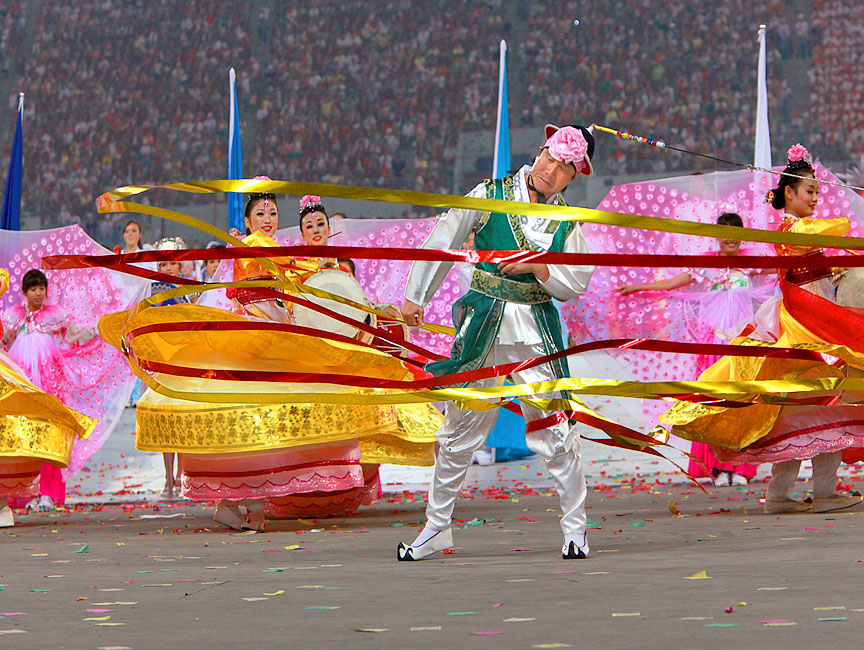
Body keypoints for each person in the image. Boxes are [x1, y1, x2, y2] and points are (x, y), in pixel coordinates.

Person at [397, 124, 596, 561]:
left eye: (565, 168)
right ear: (539, 152)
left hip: (536, 330)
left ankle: (575, 530)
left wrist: (539, 268)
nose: (552, 171)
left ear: (574, 176)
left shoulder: (568, 222)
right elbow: (446, 236)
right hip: (484, 324)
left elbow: (577, 280)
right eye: (550, 158)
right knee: (458, 430)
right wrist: (417, 296)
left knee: (557, 431)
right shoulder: (491, 193)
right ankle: (436, 527)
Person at [661, 144, 864, 514]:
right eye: (810, 191)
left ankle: (788, 494)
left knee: (810, 411)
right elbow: (835, 227)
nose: (816, 198)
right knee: (820, 410)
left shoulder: (799, 233)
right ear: (789, 193)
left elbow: (820, 272)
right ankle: (809, 493)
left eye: (818, 191)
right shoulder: (794, 229)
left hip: (817, 323)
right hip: (806, 329)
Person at [618, 213, 764, 487]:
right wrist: (638, 287)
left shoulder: (752, 265)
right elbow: (672, 283)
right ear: (716, 236)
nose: (731, 237)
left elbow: (784, 270)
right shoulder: (706, 266)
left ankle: (740, 467)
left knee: (742, 400)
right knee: (711, 402)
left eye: (736, 231)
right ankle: (717, 468)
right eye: (724, 231)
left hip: (743, 343)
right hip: (712, 344)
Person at [0, 269, 97, 526]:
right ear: (24, 292)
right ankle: (26, 493)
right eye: (33, 289)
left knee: (49, 432)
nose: (38, 293)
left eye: (41, 288)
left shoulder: (54, 315)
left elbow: (73, 335)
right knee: (24, 435)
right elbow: (4, 342)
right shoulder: (13, 317)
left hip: (49, 381)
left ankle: (48, 493)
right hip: (24, 382)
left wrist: (98, 330)